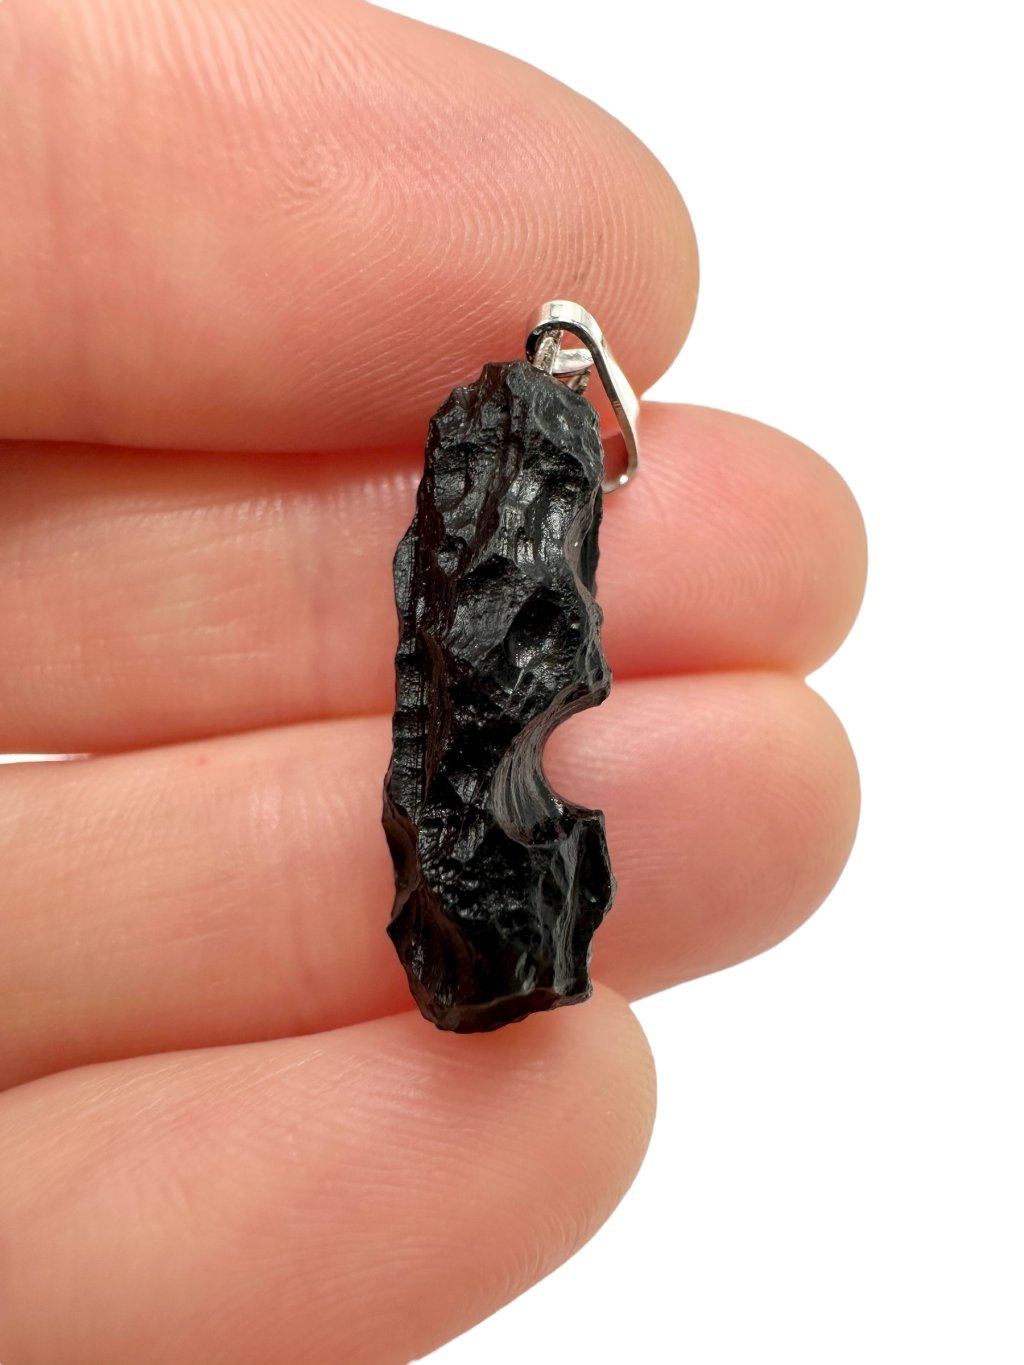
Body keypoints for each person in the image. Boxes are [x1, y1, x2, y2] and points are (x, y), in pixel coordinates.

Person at [0, 1, 866, 1361]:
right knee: (488, 772)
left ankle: (499, 949)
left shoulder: (510, 466)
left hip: (485, 867)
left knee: (503, 768)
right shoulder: (500, 455)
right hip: (474, 879)